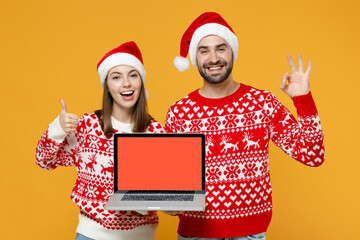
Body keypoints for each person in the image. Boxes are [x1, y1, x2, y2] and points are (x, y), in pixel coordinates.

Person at [165, 12, 325, 240]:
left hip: (250, 234)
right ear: (195, 58)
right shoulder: (179, 113)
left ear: (232, 52)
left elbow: (312, 154)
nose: (213, 58)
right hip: (196, 234)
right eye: (204, 50)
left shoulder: (263, 103)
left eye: (221, 48)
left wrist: (303, 99)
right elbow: (171, 182)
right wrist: (169, 201)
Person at [36, 41, 165, 240]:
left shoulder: (156, 132)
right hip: (91, 236)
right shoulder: (88, 126)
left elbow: (165, 190)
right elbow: (44, 161)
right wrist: (57, 130)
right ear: (107, 85)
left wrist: (151, 202)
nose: (126, 83)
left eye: (133, 75)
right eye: (116, 77)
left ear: (141, 82)